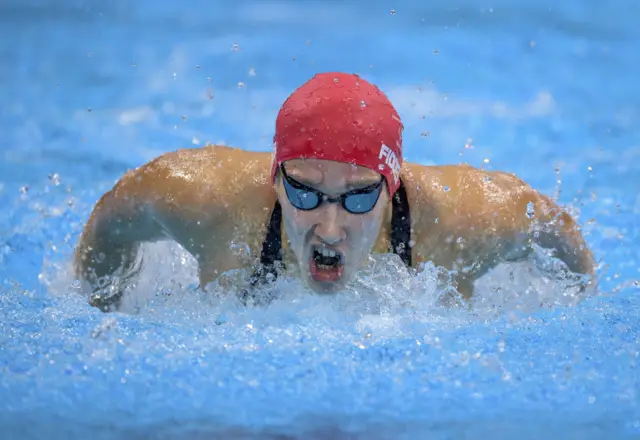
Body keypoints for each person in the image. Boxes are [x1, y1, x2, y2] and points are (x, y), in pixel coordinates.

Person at [74, 72, 596, 312]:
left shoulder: (469, 218)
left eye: (359, 197)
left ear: (392, 189)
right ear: (275, 180)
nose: (329, 226)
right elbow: (111, 222)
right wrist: (103, 304)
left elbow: (558, 232)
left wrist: (582, 304)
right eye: (304, 193)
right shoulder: (200, 198)